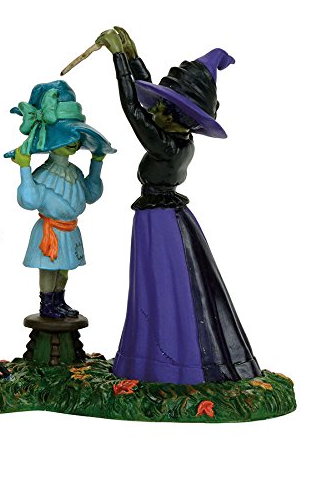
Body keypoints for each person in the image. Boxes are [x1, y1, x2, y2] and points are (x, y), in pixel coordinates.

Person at [95, 27, 261, 384]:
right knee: (166, 283)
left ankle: (167, 361)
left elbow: (132, 108)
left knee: (160, 284)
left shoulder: (166, 146)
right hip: (168, 216)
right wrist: (133, 55)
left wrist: (118, 59)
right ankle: (157, 358)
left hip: (158, 220)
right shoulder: (179, 138)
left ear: (175, 118)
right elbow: (147, 102)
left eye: (161, 107)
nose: (154, 108)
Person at [4, 80, 116, 319]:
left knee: (64, 269)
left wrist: (97, 162)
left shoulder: (75, 172)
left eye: (75, 136)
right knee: (49, 268)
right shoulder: (43, 175)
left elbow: (91, 195)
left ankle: (59, 301)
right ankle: (47, 304)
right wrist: (24, 168)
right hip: (50, 231)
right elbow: (29, 200)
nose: (73, 142)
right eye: (65, 136)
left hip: (69, 229)